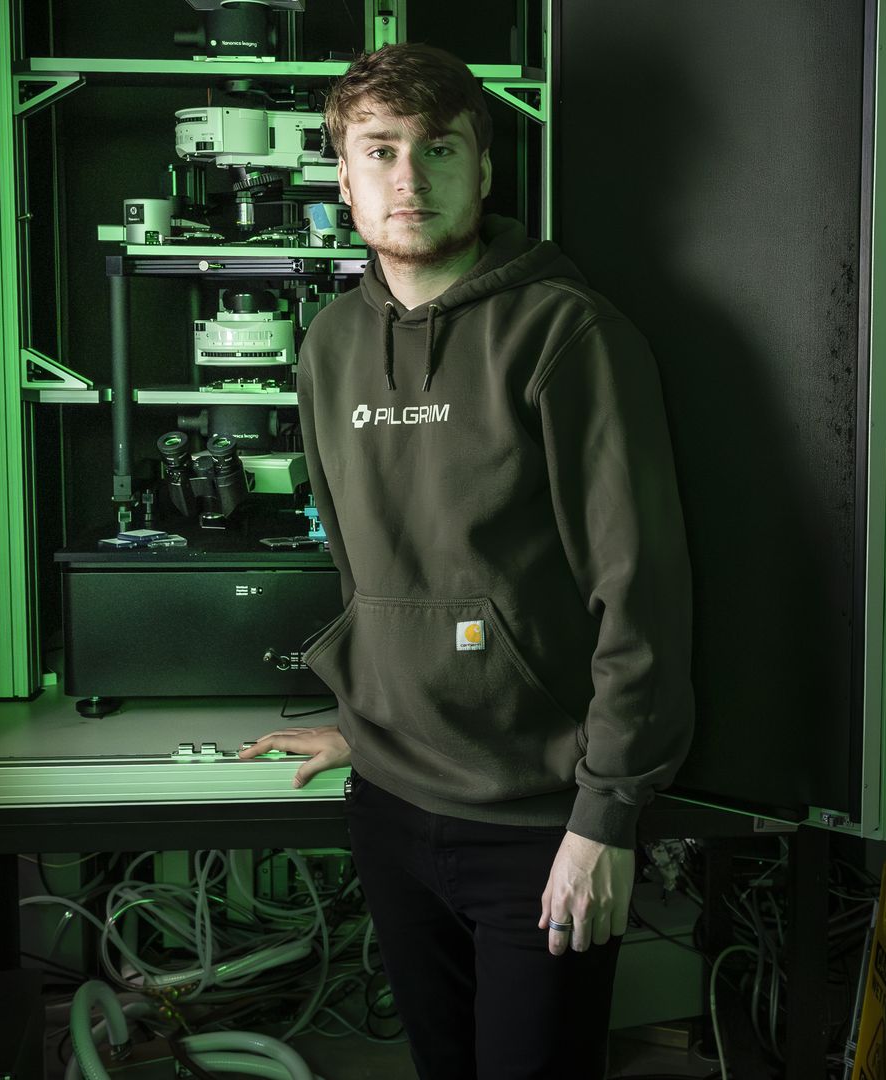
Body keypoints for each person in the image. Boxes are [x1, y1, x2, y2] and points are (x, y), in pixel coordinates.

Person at [238, 42, 695, 1080]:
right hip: (391, 808)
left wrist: (607, 818)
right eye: (380, 150)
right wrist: (366, 714)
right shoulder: (331, 344)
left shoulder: (567, 334)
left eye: (438, 149)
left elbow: (640, 591)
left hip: (539, 824)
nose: (410, 178)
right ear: (343, 176)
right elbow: (366, 567)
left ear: (482, 168)